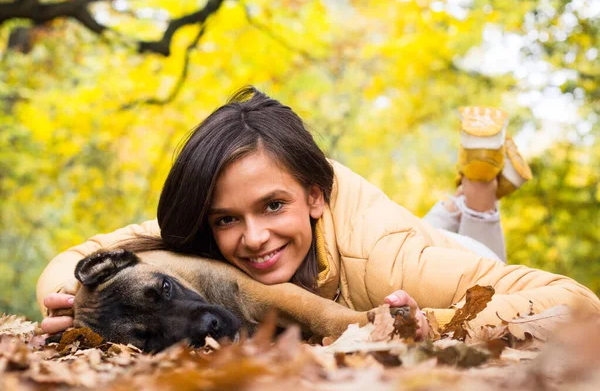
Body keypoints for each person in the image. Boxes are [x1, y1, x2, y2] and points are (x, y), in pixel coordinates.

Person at [38, 87, 600, 339]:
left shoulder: (385, 258)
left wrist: (439, 326)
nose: (252, 237)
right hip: (360, 231)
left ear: (314, 196)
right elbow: (74, 261)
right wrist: (74, 302)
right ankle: (450, 205)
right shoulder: (196, 240)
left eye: (272, 205)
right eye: (226, 218)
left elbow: (577, 301)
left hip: (424, 256)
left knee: (470, 250)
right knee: (430, 224)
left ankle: (479, 188)